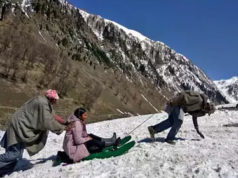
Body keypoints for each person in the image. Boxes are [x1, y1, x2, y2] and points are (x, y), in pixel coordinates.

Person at [0, 89, 67, 176]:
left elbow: (52, 115)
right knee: (14, 154)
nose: (56, 102)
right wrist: (63, 128)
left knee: (15, 157)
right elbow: (47, 121)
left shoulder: (45, 102)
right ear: (51, 98)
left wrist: (64, 122)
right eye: (55, 100)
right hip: (18, 127)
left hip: (20, 127)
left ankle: (2, 172)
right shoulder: (42, 103)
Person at [148, 90, 216, 144]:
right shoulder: (199, 99)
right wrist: (174, 102)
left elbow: (194, 116)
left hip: (181, 108)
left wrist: (197, 129)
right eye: (208, 111)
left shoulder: (201, 109)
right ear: (208, 106)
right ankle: (169, 138)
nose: (206, 112)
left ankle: (153, 129)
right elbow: (183, 95)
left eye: (207, 113)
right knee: (179, 121)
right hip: (178, 104)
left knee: (171, 122)